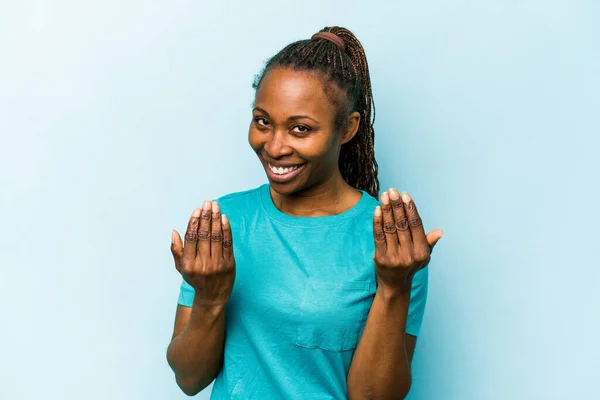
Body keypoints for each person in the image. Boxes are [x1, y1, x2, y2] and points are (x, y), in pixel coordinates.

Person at [166, 26, 443, 400]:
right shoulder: (223, 224)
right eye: (263, 121)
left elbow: (374, 397)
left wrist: (394, 287)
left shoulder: (391, 243)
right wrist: (210, 298)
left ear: (348, 128)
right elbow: (189, 379)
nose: (275, 146)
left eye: (300, 128)